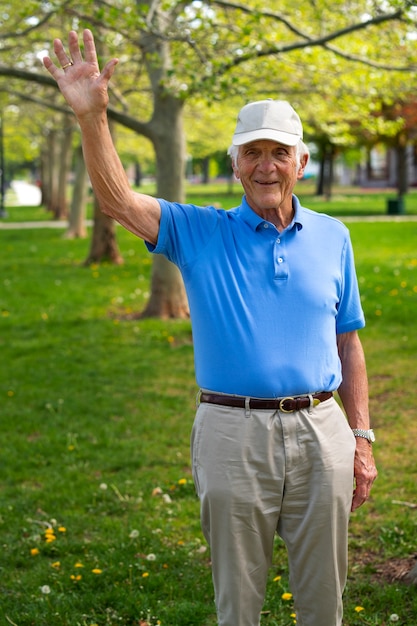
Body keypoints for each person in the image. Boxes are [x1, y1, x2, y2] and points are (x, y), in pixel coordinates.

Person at [44, 29, 378, 626]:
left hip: (323, 432)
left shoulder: (335, 236)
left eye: (279, 152)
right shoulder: (198, 230)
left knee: (325, 603)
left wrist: (362, 437)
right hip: (231, 433)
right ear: (233, 165)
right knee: (238, 604)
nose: (266, 165)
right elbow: (118, 200)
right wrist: (93, 116)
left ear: (301, 161)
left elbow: (348, 342)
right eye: (252, 152)